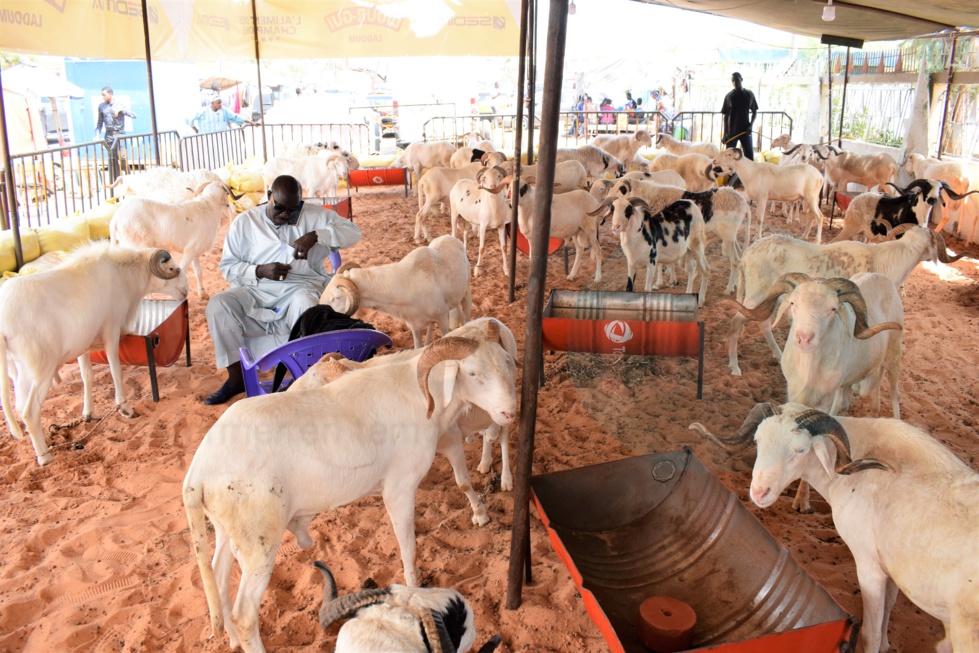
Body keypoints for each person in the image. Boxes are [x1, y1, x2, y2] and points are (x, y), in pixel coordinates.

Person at [203, 174, 362, 405]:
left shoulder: (315, 216)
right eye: (280, 208)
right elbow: (228, 267)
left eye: (293, 209)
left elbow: (353, 233)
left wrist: (316, 235)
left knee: (308, 306)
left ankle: (307, 378)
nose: (286, 215)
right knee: (219, 305)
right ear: (269, 197)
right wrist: (259, 271)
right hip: (254, 289)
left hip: (300, 286)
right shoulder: (245, 222)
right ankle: (236, 378)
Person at [94, 86, 136, 182]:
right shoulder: (102, 106)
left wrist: (121, 110)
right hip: (109, 135)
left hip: (119, 133)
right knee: (113, 158)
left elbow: (133, 115)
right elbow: (99, 122)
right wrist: (97, 134)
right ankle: (117, 180)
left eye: (104, 95)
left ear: (110, 94)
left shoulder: (120, 104)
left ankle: (129, 178)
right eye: (102, 95)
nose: (103, 97)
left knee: (123, 157)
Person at [721, 72, 758, 160]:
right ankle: (730, 173)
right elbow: (725, 116)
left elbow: (754, 111)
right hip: (732, 132)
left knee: (749, 155)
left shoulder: (749, 94)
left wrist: (750, 125)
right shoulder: (729, 96)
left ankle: (748, 173)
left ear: (741, 79)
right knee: (728, 156)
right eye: (733, 81)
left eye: (736, 80)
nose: (735, 82)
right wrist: (725, 133)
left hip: (745, 131)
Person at [190, 94, 257, 134]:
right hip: (206, 140)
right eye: (218, 103)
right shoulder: (202, 111)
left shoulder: (224, 110)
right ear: (212, 103)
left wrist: (250, 122)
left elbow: (235, 117)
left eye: (221, 102)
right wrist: (196, 130)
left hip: (220, 139)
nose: (221, 104)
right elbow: (189, 119)